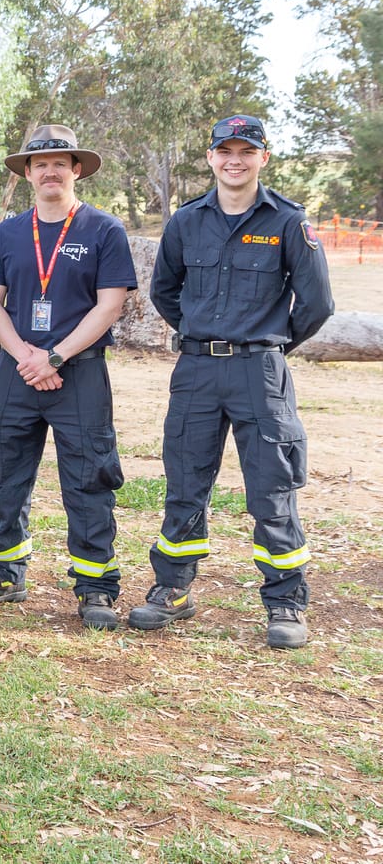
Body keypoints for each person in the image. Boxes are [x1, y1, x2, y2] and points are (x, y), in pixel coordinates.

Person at [135, 114, 335, 649]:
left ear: (263, 158)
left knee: (272, 488)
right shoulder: (185, 222)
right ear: (211, 157)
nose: (235, 161)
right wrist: (203, 332)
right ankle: (173, 590)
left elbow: (317, 304)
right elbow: (164, 291)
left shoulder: (289, 222)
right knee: (185, 483)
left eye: (246, 151)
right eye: (225, 151)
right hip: (197, 370)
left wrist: (269, 343)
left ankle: (286, 602)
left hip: (259, 372)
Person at [0, 125, 136, 630]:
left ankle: (96, 586)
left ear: (76, 169)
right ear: (28, 174)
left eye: (60, 162)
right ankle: (3, 572)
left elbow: (110, 305)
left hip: (78, 371)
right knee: (7, 471)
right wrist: (26, 356)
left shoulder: (104, 230)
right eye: (40, 164)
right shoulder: (9, 233)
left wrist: (55, 357)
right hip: (16, 369)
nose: (51, 171)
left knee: (90, 478)